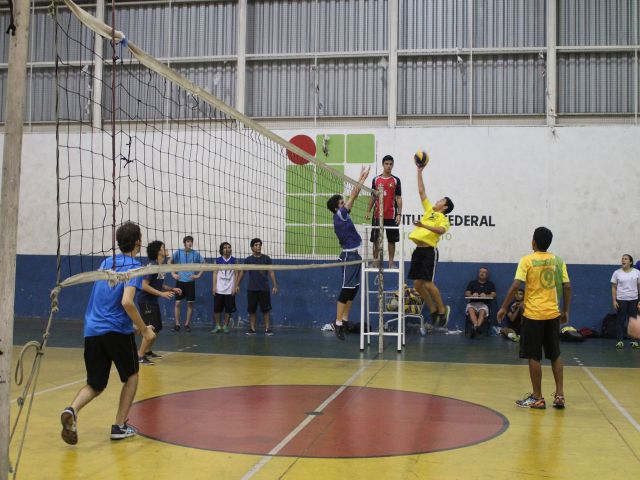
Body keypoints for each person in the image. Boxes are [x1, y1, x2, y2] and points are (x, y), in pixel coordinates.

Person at [60, 222, 156, 444]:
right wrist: (144, 330)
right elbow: (127, 302)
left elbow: (108, 300)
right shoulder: (135, 267)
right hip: (115, 331)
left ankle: (71, 410)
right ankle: (119, 426)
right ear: (138, 242)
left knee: (96, 383)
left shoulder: (106, 263)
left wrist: (130, 324)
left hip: (92, 329)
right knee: (131, 376)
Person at [497, 226, 571, 410]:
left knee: (534, 356)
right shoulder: (558, 261)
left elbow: (516, 285)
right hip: (553, 314)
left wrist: (504, 307)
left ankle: (538, 397)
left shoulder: (527, 260)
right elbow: (567, 287)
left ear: (534, 242)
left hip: (533, 315)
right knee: (555, 355)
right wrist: (565, 311)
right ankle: (560, 395)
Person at [326, 165, 371, 340]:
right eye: (342, 203)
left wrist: (360, 179)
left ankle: (345, 320)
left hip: (355, 256)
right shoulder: (340, 215)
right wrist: (361, 179)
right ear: (337, 208)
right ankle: (337, 323)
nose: (345, 204)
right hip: (348, 256)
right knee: (346, 291)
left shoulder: (342, 215)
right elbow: (354, 195)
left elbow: (353, 197)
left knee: (354, 289)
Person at [407, 160, 454, 328]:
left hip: (428, 252)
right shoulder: (429, 211)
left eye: (441, 200)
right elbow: (421, 191)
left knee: (427, 283)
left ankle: (442, 311)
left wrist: (423, 225)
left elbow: (440, 231)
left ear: (445, 206)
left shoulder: (443, 218)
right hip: (418, 251)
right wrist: (419, 171)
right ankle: (433, 309)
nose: (437, 200)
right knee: (417, 284)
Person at [136, 240, 182, 365]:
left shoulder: (160, 267)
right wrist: (162, 294)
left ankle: (148, 351)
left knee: (157, 327)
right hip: (145, 301)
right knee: (149, 329)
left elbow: (159, 285)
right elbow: (144, 285)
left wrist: (171, 289)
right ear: (158, 251)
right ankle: (140, 356)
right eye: (163, 247)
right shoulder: (152, 266)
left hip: (152, 300)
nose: (166, 249)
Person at [365, 155, 402, 269]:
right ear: (383, 165)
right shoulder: (376, 179)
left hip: (391, 216)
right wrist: (368, 211)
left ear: (393, 165)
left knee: (392, 241)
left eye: (390, 164)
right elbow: (372, 197)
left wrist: (399, 214)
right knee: (376, 240)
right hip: (377, 216)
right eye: (386, 164)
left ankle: (391, 263)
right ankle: (375, 261)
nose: (388, 166)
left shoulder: (396, 180)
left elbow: (398, 198)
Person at [235, 238, 278, 335]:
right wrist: (237, 284)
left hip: (264, 289)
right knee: (252, 310)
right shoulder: (248, 260)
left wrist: (275, 285)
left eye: (259, 245)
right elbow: (242, 273)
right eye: (256, 245)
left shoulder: (266, 259)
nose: (258, 246)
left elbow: (271, 272)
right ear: (252, 247)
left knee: (266, 310)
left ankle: (267, 329)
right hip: (252, 289)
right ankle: (252, 329)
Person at [170, 235, 204, 332]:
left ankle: (186, 324)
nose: (190, 243)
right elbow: (169, 261)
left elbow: (204, 263)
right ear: (184, 243)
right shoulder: (178, 252)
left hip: (190, 282)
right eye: (188, 241)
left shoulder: (195, 254)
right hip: (180, 281)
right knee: (177, 302)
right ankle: (177, 324)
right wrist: (173, 274)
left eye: (191, 241)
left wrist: (198, 275)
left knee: (190, 303)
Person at [610, 254, 640, 349]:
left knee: (633, 321)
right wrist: (614, 300)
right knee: (621, 320)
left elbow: (639, 287)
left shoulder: (637, 272)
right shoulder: (617, 273)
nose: (623, 260)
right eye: (622, 259)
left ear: (630, 262)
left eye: (626, 259)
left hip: (634, 300)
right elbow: (614, 287)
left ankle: (634, 342)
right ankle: (619, 341)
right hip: (621, 299)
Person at [464, 267, 497, 338]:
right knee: (470, 309)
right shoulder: (472, 283)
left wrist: (486, 295)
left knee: (482, 311)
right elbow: (467, 293)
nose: (482, 273)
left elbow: (494, 294)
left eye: (484, 272)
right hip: (472, 303)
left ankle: (476, 327)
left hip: (484, 304)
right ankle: (477, 327)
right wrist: (472, 295)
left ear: (487, 275)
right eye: (480, 272)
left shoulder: (490, 284)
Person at [212, 241, 237, 334]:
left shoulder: (234, 260)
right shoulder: (217, 260)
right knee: (217, 309)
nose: (227, 249)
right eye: (225, 247)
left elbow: (236, 274)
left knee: (228, 309)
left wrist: (235, 286)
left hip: (230, 289)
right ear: (222, 250)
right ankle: (218, 325)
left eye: (229, 247)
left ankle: (225, 326)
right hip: (219, 289)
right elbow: (214, 273)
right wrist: (214, 287)